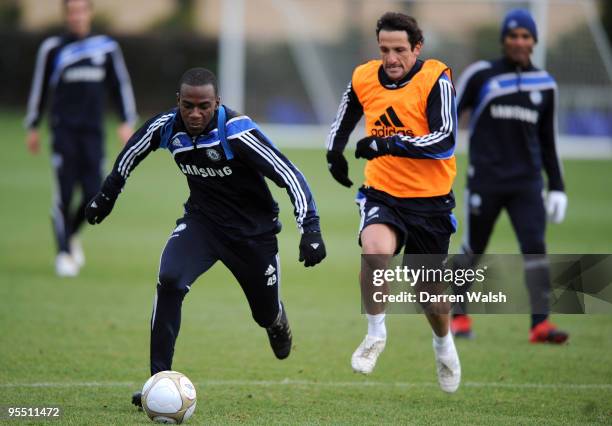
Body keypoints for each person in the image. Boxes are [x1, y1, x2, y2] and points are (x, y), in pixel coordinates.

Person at [84, 68, 326, 406]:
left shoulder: (236, 132)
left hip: (253, 236)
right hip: (203, 224)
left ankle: (276, 321)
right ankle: (158, 382)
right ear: (178, 103)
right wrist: (108, 194)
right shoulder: (166, 127)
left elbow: (290, 174)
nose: (195, 114)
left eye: (204, 106)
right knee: (169, 280)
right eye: (188, 106)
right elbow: (132, 152)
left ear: (217, 103)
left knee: (264, 313)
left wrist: (310, 227)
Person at [326, 12, 461, 393]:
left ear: (417, 48)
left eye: (400, 49)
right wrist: (334, 152)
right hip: (382, 193)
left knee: (429, 298)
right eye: (385, 49)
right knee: (375, 254)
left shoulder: (436, 79)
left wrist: (389, 143)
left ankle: (443, 344)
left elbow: (445, 140)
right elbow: (345, 117)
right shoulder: (364, 76)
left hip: (431, 203)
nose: (391, 58)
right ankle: (375, 335)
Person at [451, 9, 568, 344]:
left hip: (527, 183)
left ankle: (540, 324)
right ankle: (458, 317)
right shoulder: (481, 75)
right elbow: (448, 118)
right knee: (473, 248)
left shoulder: (545, 85)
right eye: (513, 35)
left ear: (534, 41)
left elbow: (548, 141)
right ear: (504, 39)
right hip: (485, 179)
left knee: (535, 248)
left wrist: (557, 186)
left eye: (525, 36)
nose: (519, 41)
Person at [24, 0, 137, 277]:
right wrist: (33, 125)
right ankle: (63, 253)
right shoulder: (52, 48)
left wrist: (126, 121)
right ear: (66, 15)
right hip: (64, 131)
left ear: (90, 13)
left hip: (93, 133)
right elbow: (39, 87)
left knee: (93, 194)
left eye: (81, 10)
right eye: (72, 11)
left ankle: (71, 234)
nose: (77, 16)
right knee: (63, 193)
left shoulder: (106, 48)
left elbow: (120, 85)